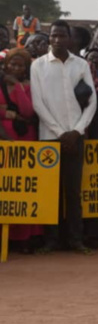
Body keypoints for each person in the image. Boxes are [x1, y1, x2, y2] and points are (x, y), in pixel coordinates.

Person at [30, 20, 97, 254]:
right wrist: (60, 134)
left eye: (61, 36)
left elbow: (91, 102)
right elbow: (38, 104)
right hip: (50, 137)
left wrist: (76, 131)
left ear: (70, 39)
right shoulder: (38, 66)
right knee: (51, 191)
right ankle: (52, 241)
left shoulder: (81, 65)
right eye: (53, 36)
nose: (57, 40)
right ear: (49, 38)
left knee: (73, 190)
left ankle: (75, 240)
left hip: (76, 136)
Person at [1, 48, 42, 251]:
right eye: (12, 64)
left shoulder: (28, 86)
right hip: (3, 141)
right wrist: (6, 113)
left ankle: (23, 238)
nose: (15, 68)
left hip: (25, 139)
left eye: (20, 65)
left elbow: (28, 110)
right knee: (5, 187)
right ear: (6, 64)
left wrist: (16, 87)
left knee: (24, 187)